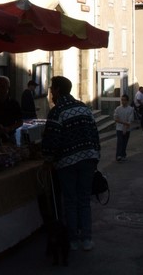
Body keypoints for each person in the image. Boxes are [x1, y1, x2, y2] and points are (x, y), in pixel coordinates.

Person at [42, 76, 100, 252]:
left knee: (70, 201)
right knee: (84, 199)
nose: (51, 92)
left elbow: (52, 139)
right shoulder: (84, 108)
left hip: (67, 162)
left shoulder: (57, 111)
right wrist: (95, 156)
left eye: (52, 89)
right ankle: (87, 239)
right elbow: (95, 134)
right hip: (88, 159)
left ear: (58, 90)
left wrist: (48, 159)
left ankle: (73, 239)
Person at [113, 94, 134, 162]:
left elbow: (130, 120)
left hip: (127, 128)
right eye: (122, 100)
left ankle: (123, 154)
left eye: (124, 100)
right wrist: (124, 123)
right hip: (119, 128)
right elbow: (116, 118)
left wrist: (125, 126)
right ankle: (118, 155)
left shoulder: (130, 109)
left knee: (125, 142)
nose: (123, 101)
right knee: (120, 142)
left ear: (127, 101)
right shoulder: (118, 108)